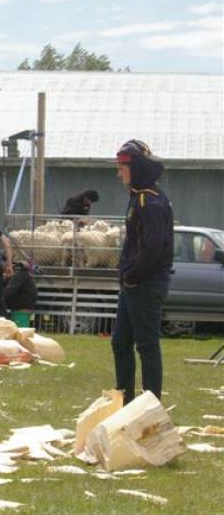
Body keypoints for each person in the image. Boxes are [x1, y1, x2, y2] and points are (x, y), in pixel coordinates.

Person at [112, 139, 173, 405]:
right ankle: (125, 401)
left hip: (145, 284)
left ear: (135, 168)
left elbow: (153, 248)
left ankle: (151, 407)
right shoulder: (139, 197)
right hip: (133, 284)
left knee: (147, 346)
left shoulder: (151, 201)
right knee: (119, 342)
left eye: (122, 168)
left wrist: (132, 275)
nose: (119, 174)